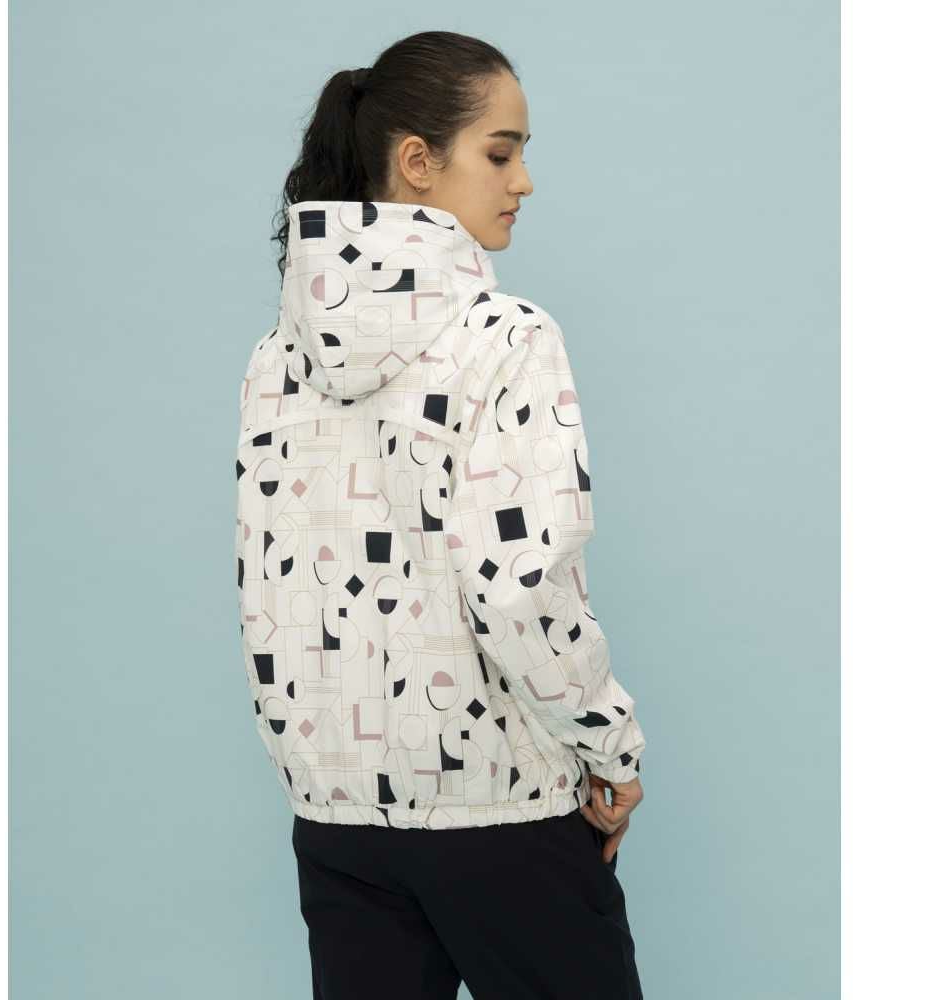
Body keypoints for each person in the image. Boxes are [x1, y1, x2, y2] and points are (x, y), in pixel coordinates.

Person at [235, 29, 647, 1000]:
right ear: (418, 162)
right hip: (502, 816)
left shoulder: (275, 357)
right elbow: (518, 584)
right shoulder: (505, 338)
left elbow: (268, 587)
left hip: (337, 824)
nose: (523, 181)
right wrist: (610, 744)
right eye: (500, 153)